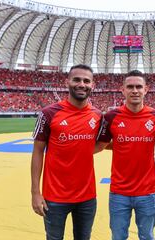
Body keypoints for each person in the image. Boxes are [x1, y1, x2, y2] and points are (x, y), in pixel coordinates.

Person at [95, 70, 155, 240]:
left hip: (147, 193)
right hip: (119, 192)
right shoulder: (111, 117)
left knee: (147, 236)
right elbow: (100, 145)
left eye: (139, 86)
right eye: (130, 87)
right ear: (123, 90)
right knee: (118, 237)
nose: (135, 90)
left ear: (146, 89)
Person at [31, 64, 102, 240]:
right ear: (67, 82)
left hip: (87, 197)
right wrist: (35, 192)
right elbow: (38, 152)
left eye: (86, 81)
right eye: (77, 79)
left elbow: (103, 143)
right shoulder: (48, 113)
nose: (81, 84)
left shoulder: (98, 115)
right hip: (54, 197)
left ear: (93, 85)